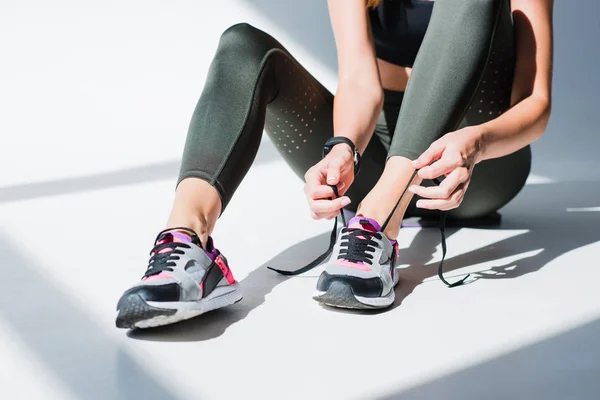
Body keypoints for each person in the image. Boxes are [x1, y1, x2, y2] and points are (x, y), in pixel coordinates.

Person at [116, 0, 553, 329]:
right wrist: (343, 147)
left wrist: (477, 143)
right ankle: (188, 245)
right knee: (243, 45)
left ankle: (379, 225)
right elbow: (360, 81)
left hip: (479, 163)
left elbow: (536, 103)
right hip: (379, 161)